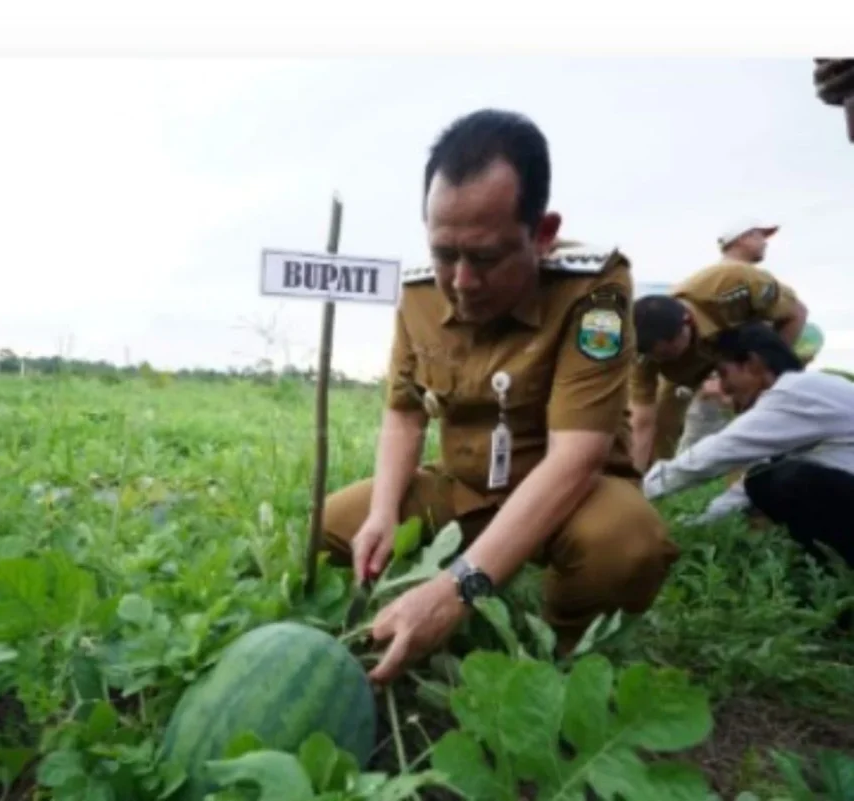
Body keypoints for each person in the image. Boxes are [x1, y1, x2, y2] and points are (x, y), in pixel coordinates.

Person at [319, 108, 680, 684]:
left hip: (571, 494)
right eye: (444, 254)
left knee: (625, 544)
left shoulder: (593, 287)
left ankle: (557, 659)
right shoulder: (416, 295)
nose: (461, 281)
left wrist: (458, 587)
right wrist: (386, 510)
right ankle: (370, 625)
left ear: (542, 234)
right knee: (332, 527)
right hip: (464, 489)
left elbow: (576, 457)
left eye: (485, 257)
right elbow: (404, 413)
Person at [643, 321, 854, 571]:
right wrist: (690, 526)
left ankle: (837, 568)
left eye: (724, 373)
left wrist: (636, 491)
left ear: (753, 365)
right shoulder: (804, 394)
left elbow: (717, 453)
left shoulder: (795, 393)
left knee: (784, 480)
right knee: (766, 480)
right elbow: (747, 485)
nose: (722, 387)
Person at [629, 225, 808, 471]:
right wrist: (634, 480)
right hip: (694, 370)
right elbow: (642, 421)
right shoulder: (643, 355)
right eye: (656, 356)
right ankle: (654, 481)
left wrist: (764, 370)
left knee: (771, 401)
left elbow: (796, 314)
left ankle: (792, 461)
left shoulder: (736, 283)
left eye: (669, 352)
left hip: (750, 341)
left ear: (686, 324)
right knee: (663, 420)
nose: (663, 359)